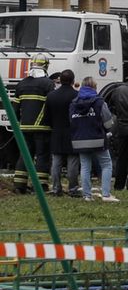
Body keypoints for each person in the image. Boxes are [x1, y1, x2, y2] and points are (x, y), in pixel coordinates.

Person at [69, 77, 119, 203]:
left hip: (79, 139)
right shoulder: (99, 102)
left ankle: (87, 195)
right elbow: (107, 121)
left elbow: (71, 120)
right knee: (106, 164)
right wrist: (108, 130)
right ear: (94, 87)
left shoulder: (74, 103)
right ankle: (106, 194)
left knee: (85, 167)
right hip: (97, 138)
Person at [12, 54, 54, 193]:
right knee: (42, 156)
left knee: (25, 155)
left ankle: (19, 186)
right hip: (42, 128)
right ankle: (41, 186)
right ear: (46, 66)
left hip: (24, 128)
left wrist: (18, 124)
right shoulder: (48, 84)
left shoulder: (22, 83)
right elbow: (50, 106)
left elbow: (15, 108)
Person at [45, 69, 80, 197]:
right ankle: (73, 189)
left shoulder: (51, 95)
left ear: (60, 80)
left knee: (56, 163)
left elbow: (46, 117)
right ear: (73, 81)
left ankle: (56, 188)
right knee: (73, 163)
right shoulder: (77, 96)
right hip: (73, 133)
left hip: (57, 132)